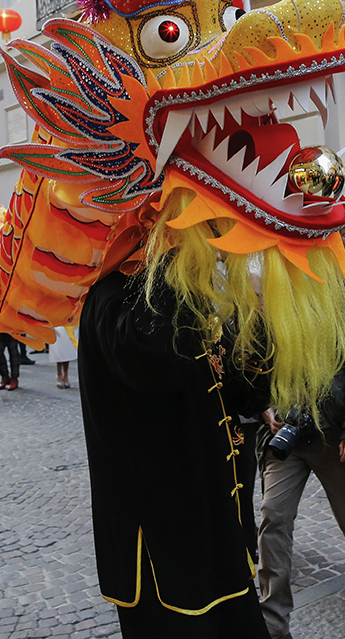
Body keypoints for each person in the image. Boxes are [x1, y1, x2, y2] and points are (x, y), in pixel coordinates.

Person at [79, 263, 274, 639]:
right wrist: (179, 266)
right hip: (162, 536)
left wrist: (258, 314)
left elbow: (248, 395)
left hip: (218, 522)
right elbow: (149, 365)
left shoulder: (195, 294)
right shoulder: (113, 294)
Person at [257, 314, 345, 636]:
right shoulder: (258, 311)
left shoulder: (329, 309)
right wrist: (263, 405)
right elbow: (251, 369)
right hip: (289, 436)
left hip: (336, 434)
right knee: (274, 516)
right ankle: (272, 622)